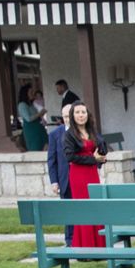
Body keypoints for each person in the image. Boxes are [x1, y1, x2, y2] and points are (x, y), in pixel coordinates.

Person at [62, 101, 107, 248]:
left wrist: (101, 157)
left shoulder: (92, 131)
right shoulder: (69, 135)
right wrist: (93, 159)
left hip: (92, 173)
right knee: (84, 208)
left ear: (88, 115)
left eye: (83, 112)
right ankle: (85, 247)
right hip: (78, 175)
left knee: (96, 206)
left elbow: (101, 147)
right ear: (72, 115)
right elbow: (70, 157)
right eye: (77, 112)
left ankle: (99, 246)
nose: (81, 115)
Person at [47, 104, 74, 246]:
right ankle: (70, 241)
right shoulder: (55, 134)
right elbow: (52, 160)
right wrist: (54, 181)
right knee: (68, 211)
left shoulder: (84, 132)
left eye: (70, 115)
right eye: (65, 117)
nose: (67, 119)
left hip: (80, 179)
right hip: (65, 180)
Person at [18, 84, 48, 151]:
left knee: (46, 147)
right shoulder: (22, 105)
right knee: (36, 148)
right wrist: (40, 113)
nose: (32, 94)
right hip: (32, 131)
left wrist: (41, 114)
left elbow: (36, 115)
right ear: (25, 93)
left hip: (39, 129)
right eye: (31, 92)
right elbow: (28, 119)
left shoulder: (32, 104)